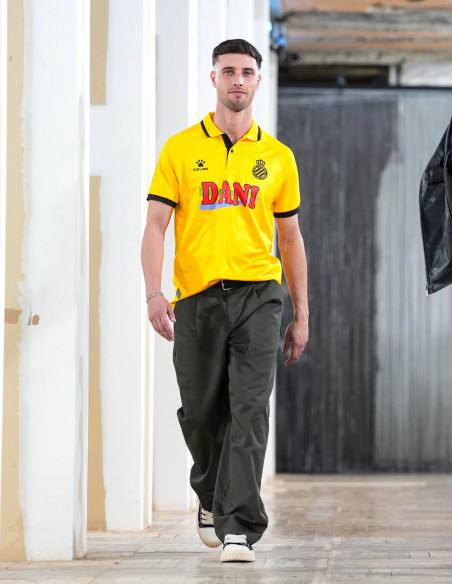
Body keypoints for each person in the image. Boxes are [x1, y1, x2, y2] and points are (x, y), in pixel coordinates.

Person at [141, 38, 309, 563]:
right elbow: (155, 225)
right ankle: (211, 492)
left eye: (247, 72)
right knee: (199, 412)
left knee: (249, 409)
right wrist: (153, 292)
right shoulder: (180, 149)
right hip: (196, 299)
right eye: (229, 71)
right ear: (213, 78)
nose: (238, 80)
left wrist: (301, 312)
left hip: (259, 296)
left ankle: (239, 527)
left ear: (259, 80)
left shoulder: (277, 157)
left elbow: (290, 240)